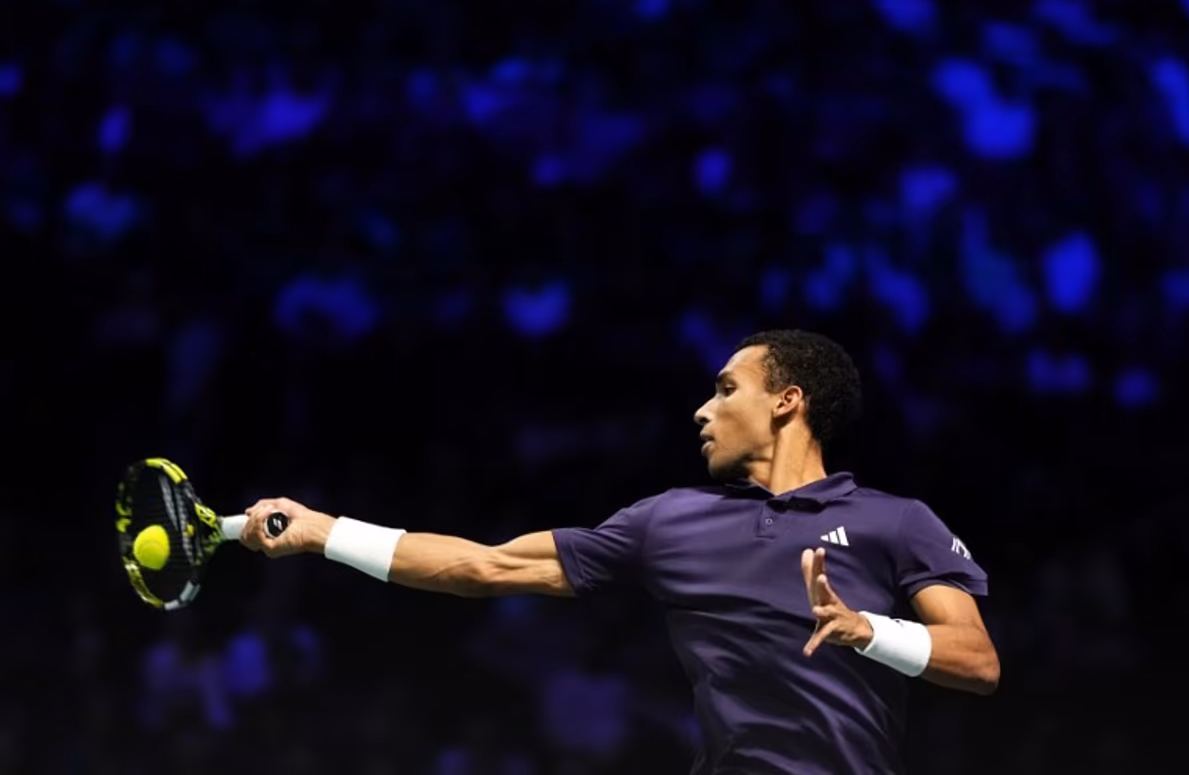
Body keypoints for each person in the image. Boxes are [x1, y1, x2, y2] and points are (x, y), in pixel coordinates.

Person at [240, 329, 1000, 774]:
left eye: (726, 389)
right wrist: (324, 530)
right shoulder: (667, 523)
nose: (703, 409)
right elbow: (487, 565)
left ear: (787, 401)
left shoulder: (894, 522)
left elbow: (977, 661)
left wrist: (869, 628)